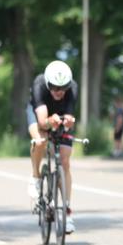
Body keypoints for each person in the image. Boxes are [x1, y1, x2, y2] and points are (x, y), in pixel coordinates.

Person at [26, 60, 78, 233]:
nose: (59, 91)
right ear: (48, 84)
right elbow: (42, 122)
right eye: (55, 88)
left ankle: (67, 212)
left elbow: (68, 117)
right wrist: (50, 121)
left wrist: (68, 122)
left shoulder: (72, 89)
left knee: (65, 160)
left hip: (60, 115)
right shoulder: (39, 85)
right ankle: (35, 176)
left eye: (63, 88)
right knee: (40, 141)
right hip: (39, 114)